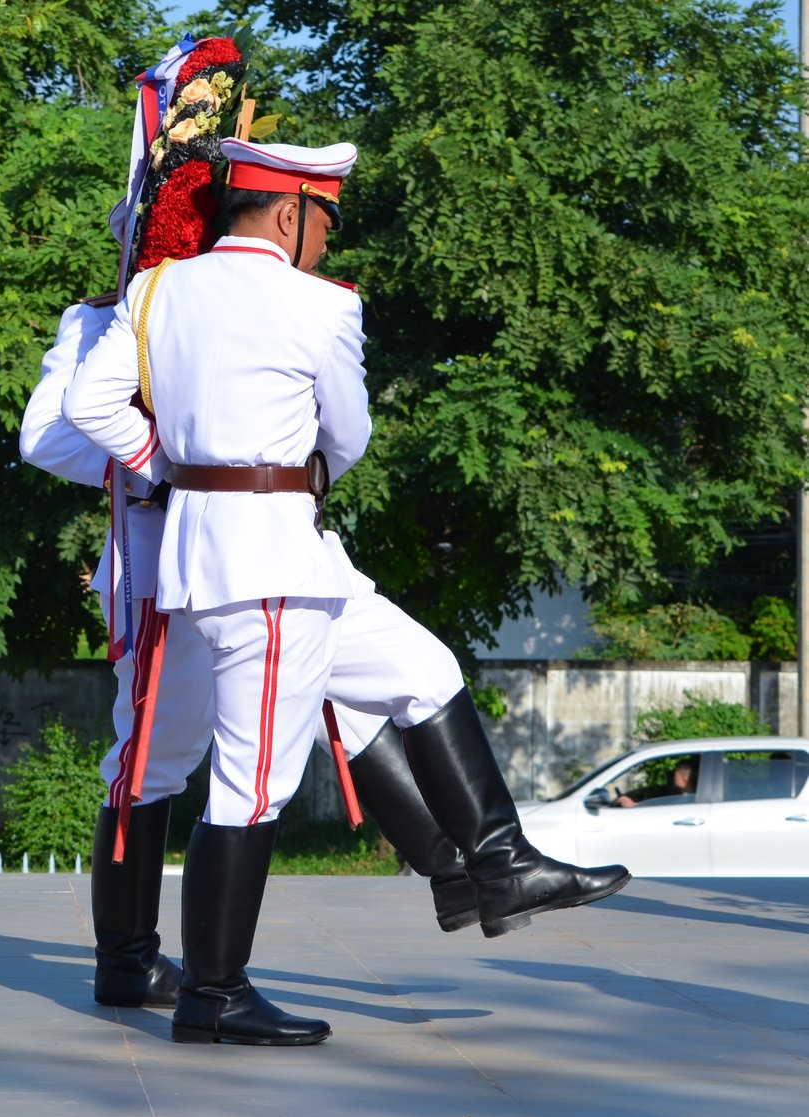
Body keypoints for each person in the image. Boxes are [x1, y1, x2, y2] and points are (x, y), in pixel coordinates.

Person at [64, 137, 630, 1047]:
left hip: (237, 559)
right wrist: (260, 470)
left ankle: (496, 864)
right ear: (290, 213)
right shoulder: (322, 306)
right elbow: (350, 433)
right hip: (271, 565)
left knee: (423, 667)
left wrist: (176, 472)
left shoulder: (156, 291)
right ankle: (215, 996)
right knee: (249, 787)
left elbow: (92, 411)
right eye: (323, 220)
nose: (326, 240)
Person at [21, 300, 479, 1010]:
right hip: (159, 557)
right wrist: (173, 465)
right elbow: (46, 436)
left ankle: (455, 865)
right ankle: (129, 958)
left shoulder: (250, 306)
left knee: (339, 680)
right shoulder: (105, 318)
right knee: (156, 753)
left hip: (276, 541)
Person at [616, 757, 697, 806]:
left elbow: (660, 810)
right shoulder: (685, 796)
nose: (672, 775)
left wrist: (634, 806)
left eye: (676, 772)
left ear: (685, 778)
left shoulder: (689, 799)